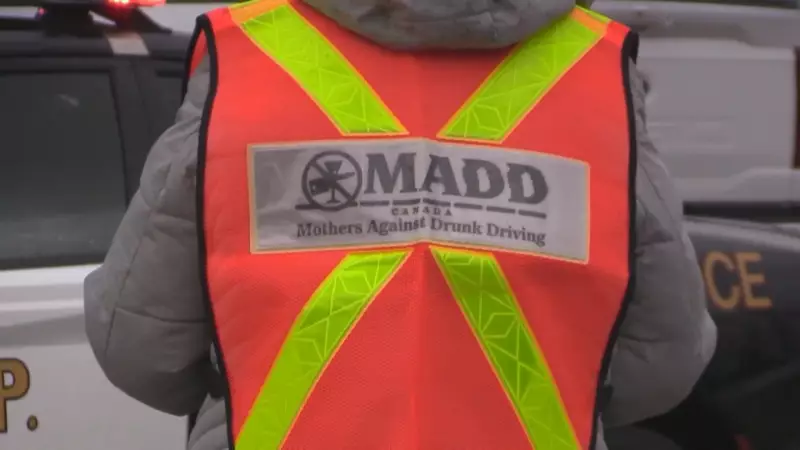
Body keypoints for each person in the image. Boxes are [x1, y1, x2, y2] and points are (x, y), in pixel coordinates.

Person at [83, 0, 717, 448]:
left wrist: (254, 381)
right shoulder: (592, 72)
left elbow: (137, 344)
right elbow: (667, 356)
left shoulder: (251, 57)